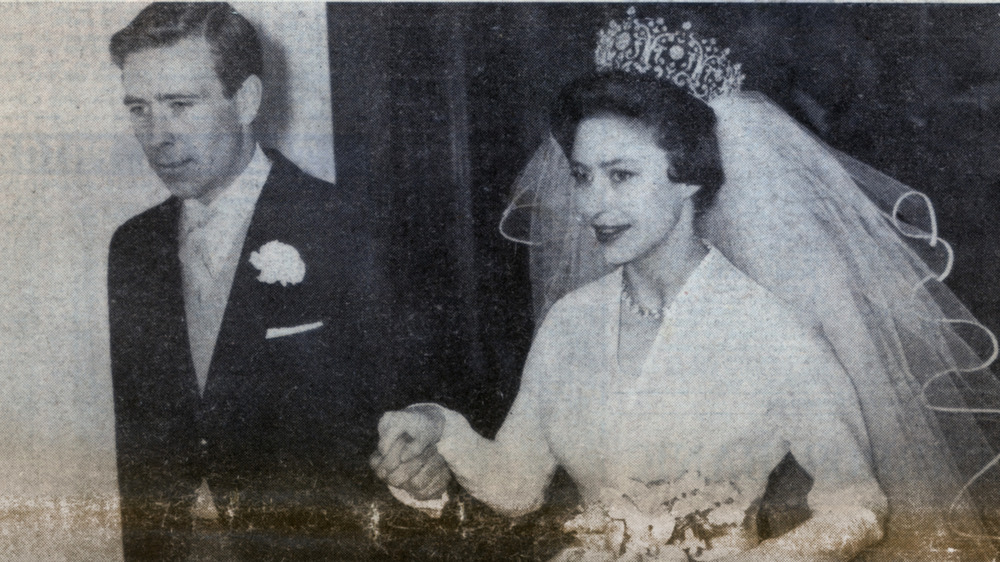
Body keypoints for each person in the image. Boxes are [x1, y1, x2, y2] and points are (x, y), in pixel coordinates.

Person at [373, 10, 1000, 561]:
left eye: (621, 175)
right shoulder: (572, 321)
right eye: (583, 176)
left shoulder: (770, 329)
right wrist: (438, 427)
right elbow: (516, 486)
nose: (593, 204)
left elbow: (856, 505)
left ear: (689, 178)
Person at [107, 3, 461, 559]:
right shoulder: (132, 248)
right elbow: (141, 450)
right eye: (139, 108)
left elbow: (435, 407)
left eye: (180, 105)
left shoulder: (351, 226)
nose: (158, 136)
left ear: (246, 100)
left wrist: (429, 462)